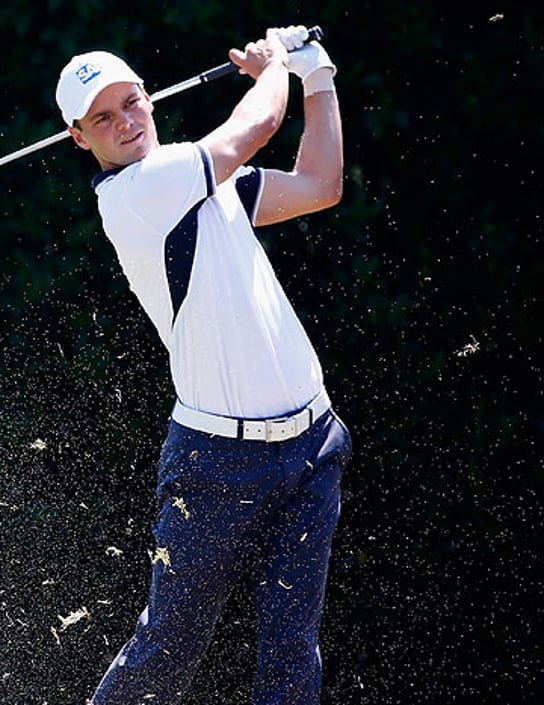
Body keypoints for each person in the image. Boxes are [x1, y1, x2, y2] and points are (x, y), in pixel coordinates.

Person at [54, 26, 352, 705]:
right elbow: (255, 126)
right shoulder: (135, 193)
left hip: (311, 445)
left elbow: (320, 183)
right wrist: (278, 66)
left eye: (132, 102)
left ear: (149, 99)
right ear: (80, 138)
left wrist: (319, 75)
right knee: (165, 654)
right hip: (217, 463)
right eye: (103, 117)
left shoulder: (207, 183)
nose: (125, 122)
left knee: (292, 657)